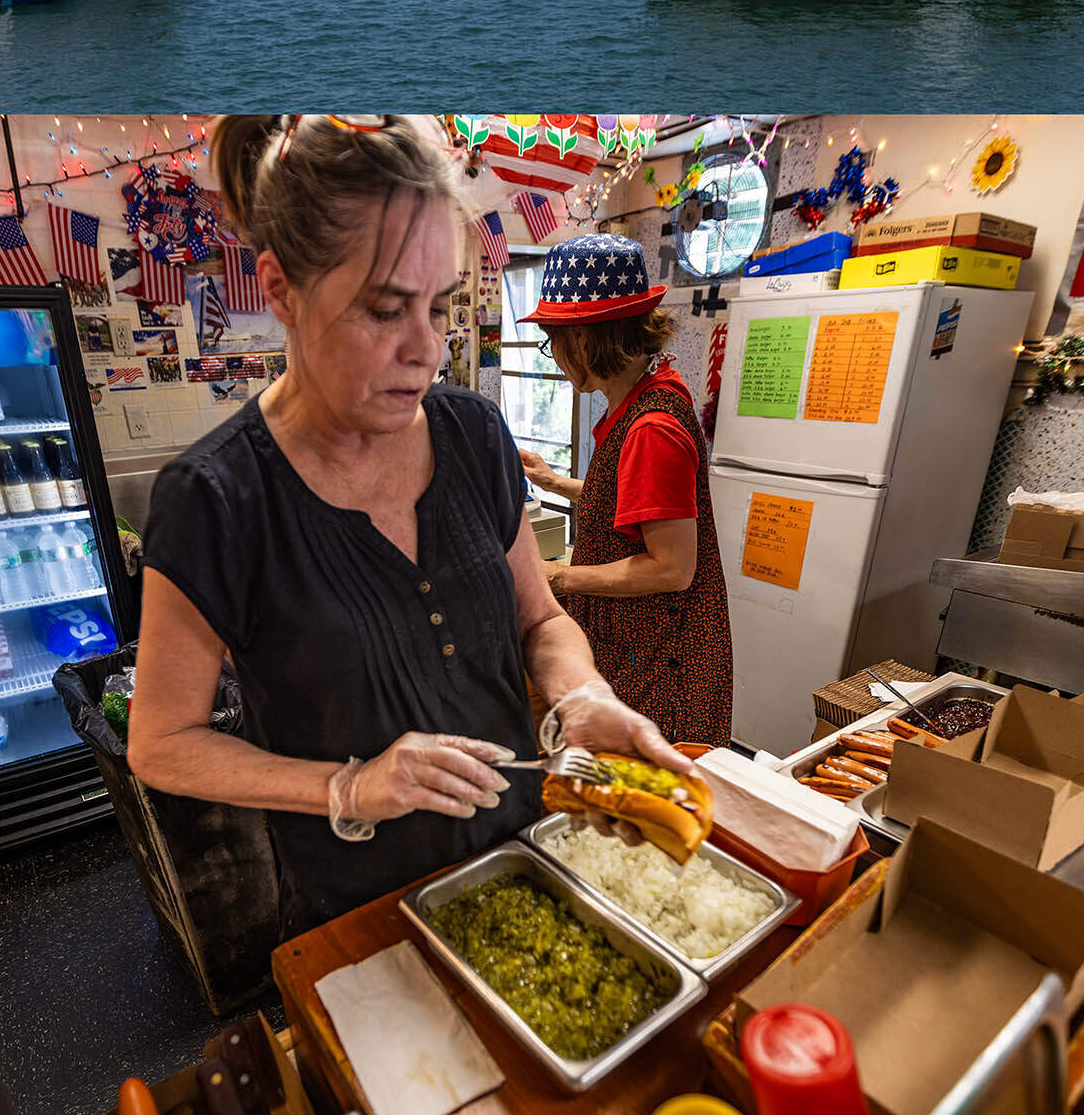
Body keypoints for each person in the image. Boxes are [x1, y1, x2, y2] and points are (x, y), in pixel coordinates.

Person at [130, 115, 698, 934]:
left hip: (523, 843)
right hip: (357, 897)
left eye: (440, 308)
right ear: (281, 288)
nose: (425, 350)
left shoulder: (473, 435)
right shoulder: (215, 499)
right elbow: (161, 743)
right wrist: (349, 787)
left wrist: (582, 695)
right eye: (385, 310)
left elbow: (538, 617)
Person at [514, 234, 734, 748]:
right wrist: (551, 480)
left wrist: (558, 578)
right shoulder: (642, 395)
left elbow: (671, 568)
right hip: (643, 640)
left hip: (659, 656)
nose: (555, 358)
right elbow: (634, 499)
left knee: (648, 786)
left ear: (585, 340)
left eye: (554, 342)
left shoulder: (651, 426)